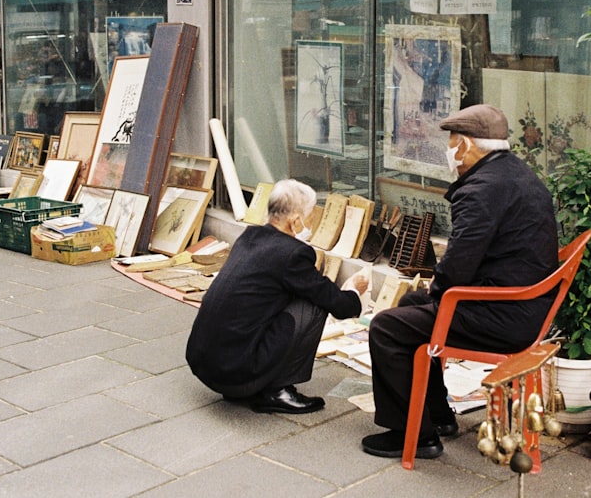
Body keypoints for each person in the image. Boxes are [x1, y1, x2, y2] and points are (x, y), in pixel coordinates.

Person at [360, 104, 559, 459]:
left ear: (465, 145)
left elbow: (458, 266)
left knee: (387, 327)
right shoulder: (514, 173)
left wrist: (436, 295)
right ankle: (437, 415)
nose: (449, 152)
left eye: (451, 143)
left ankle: (415, 435)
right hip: (522, 304)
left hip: (503, 315)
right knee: (410, 305)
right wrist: (431, 296)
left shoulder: (481, 189)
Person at [186, 179, 369, 414]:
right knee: (312, 305)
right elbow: (339, 305)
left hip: (206, 366)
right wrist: (353, 290)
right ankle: (277, 391)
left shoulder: (249, 237)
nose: (313, 222)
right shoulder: (294, 254)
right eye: (311, 215)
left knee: (294, 295)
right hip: (235, 375)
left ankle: (253, 380)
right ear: (295, 221)